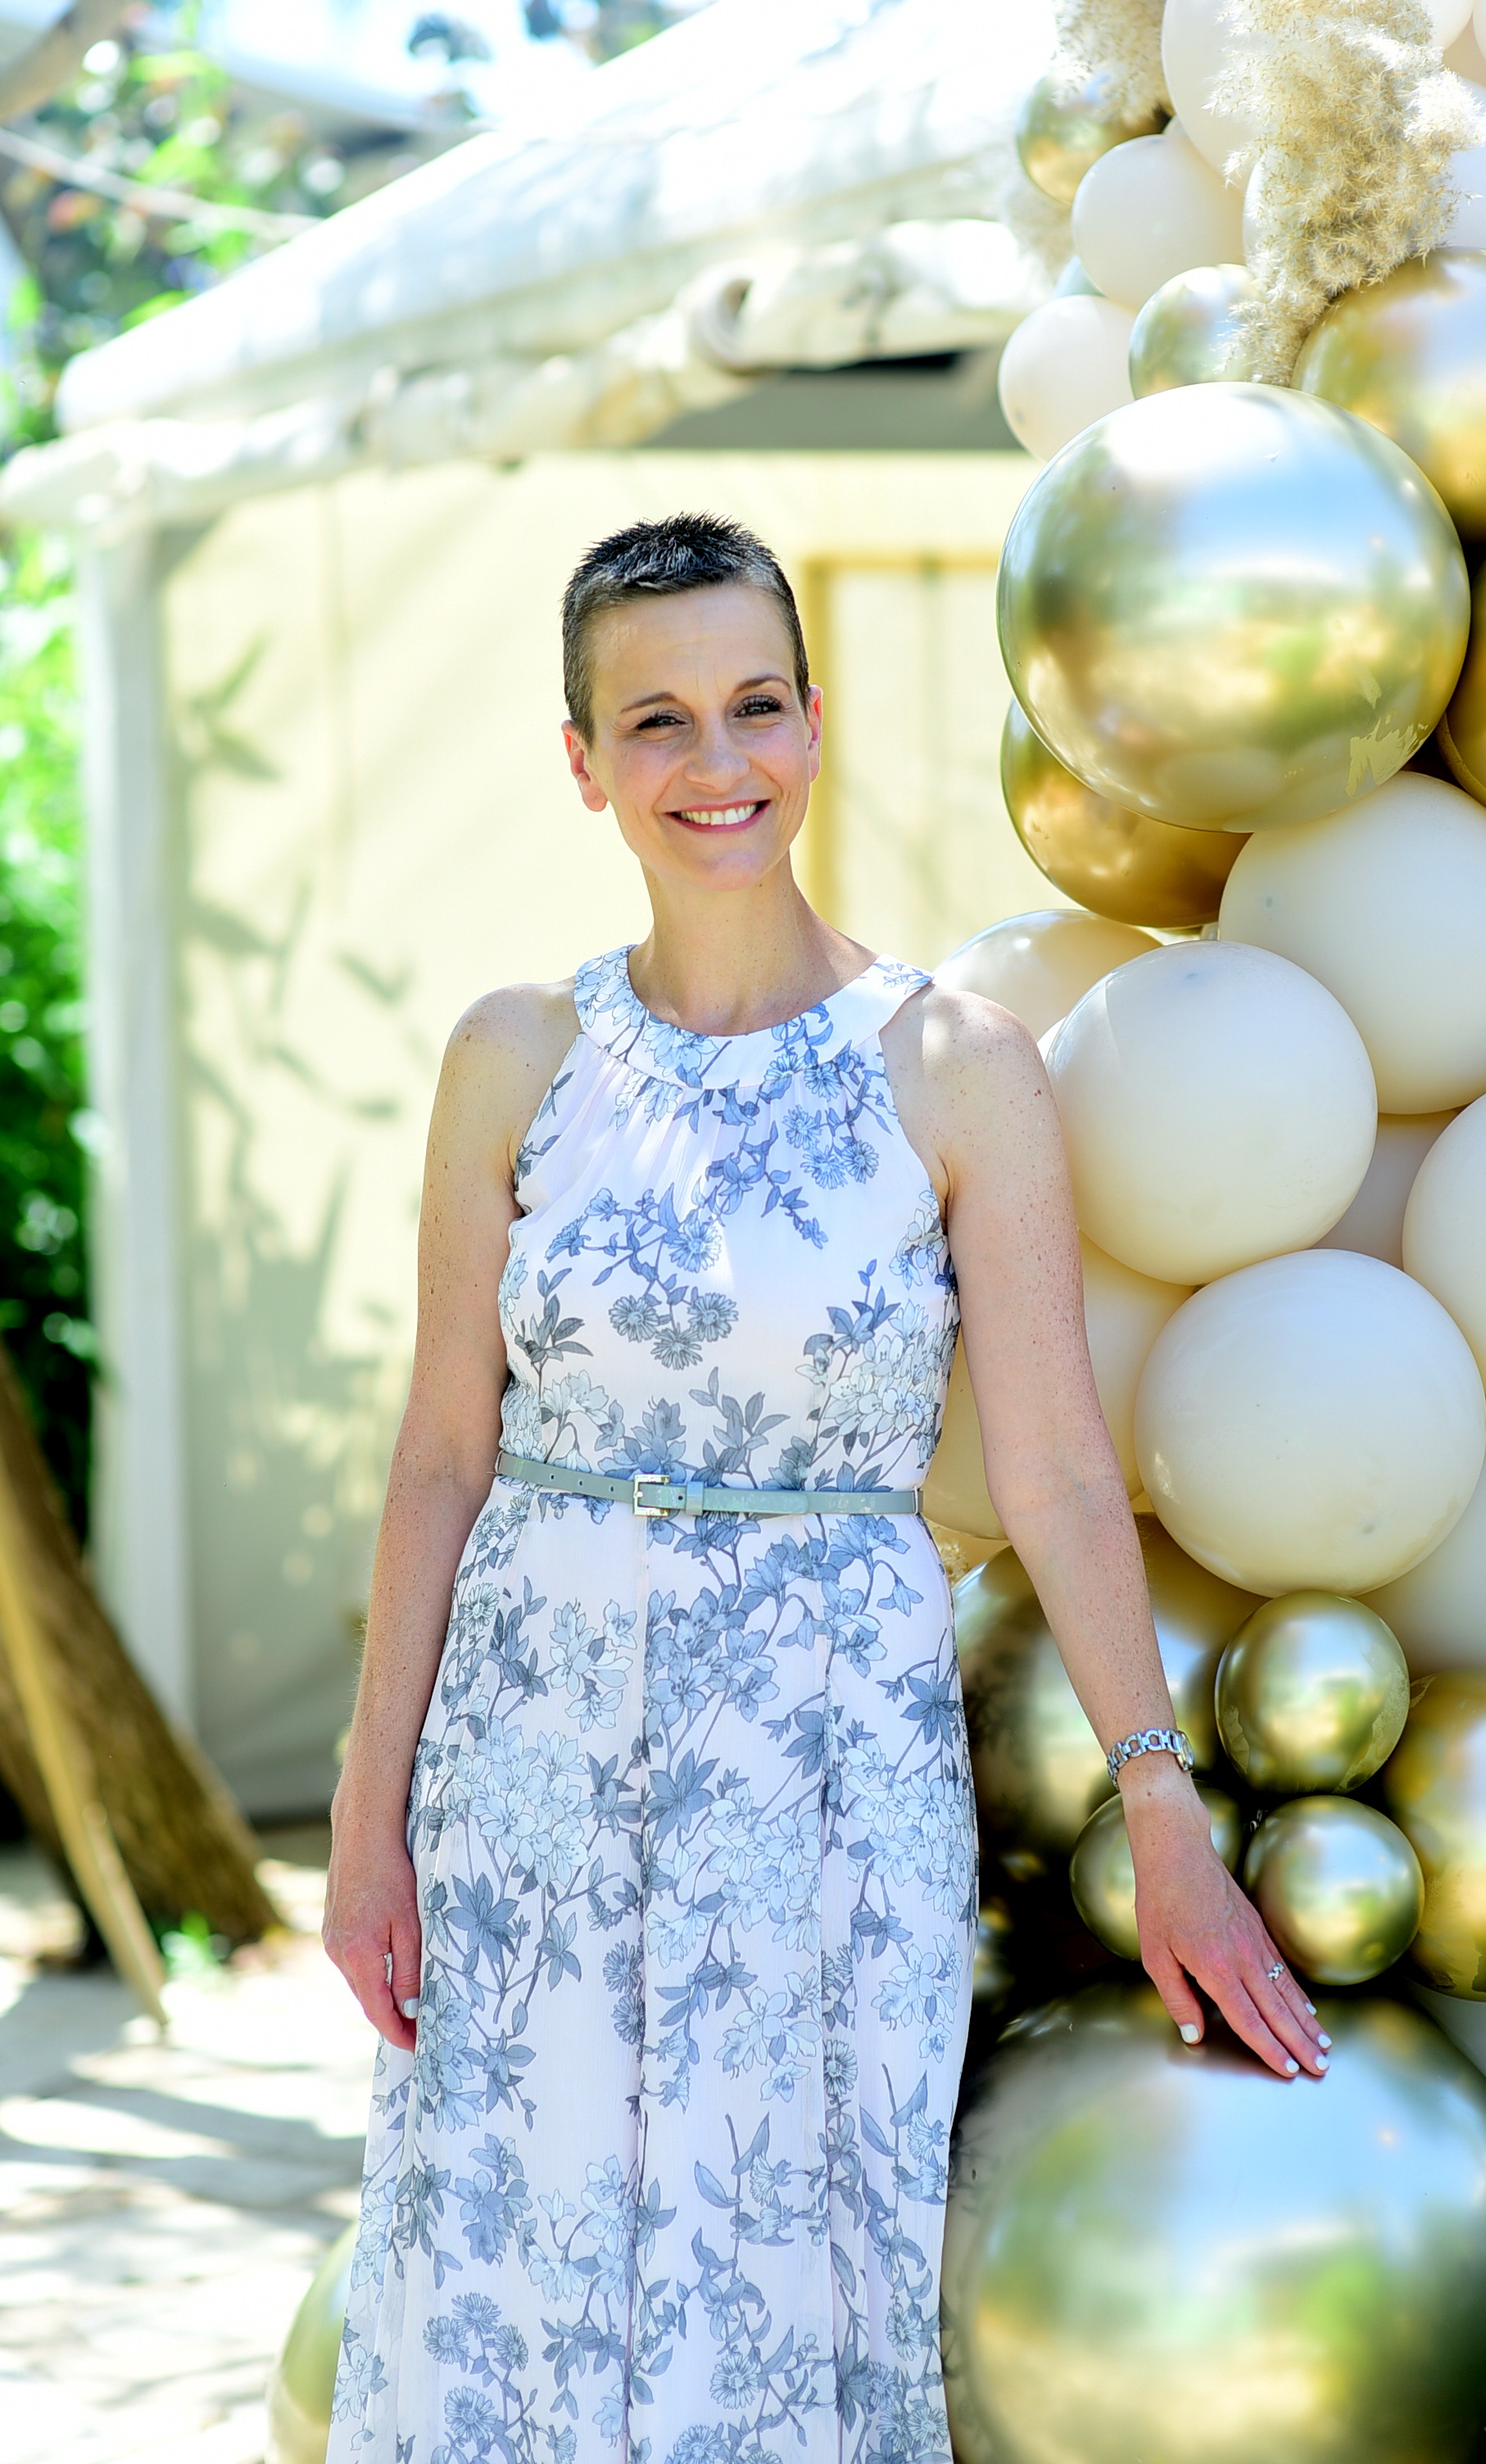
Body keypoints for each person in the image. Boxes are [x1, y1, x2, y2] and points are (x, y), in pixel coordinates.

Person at [322, 513, 1328, 2464]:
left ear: (813, 717)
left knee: (783, 2257)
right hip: (524, 1753)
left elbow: (1048, 1464)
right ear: (582, 761)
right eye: (659, 720)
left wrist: (1160, 1803)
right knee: (510, 2271)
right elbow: (444, 1449)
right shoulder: (512, 1059)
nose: (720, 764)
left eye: (757, 704)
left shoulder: (951, 1064)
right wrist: (369, 1813)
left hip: (819, 1770)